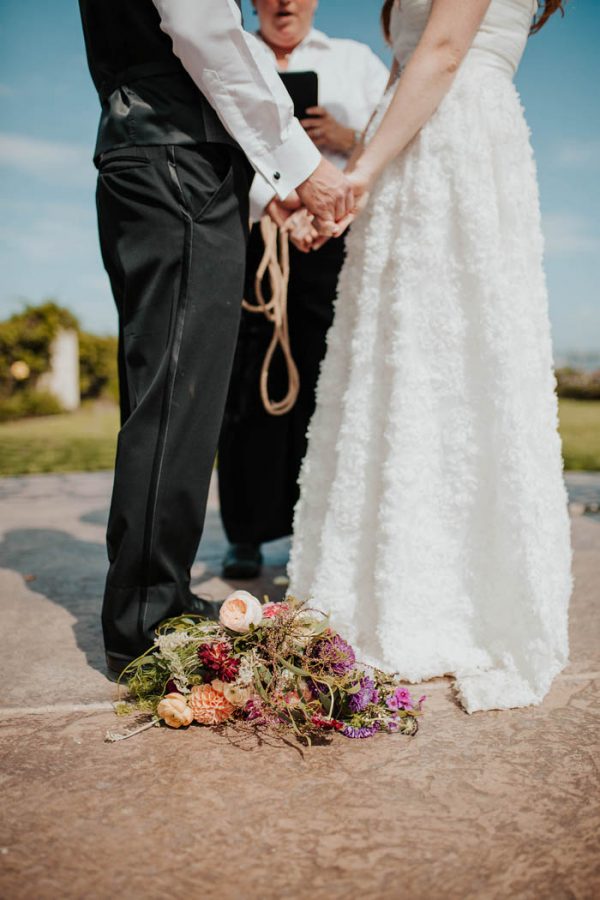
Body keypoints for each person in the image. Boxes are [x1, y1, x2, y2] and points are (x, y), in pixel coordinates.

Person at [288, 0, 573, 713]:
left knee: (458, 363)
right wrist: (345, 186)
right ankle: (388, 579)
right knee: (395, 362)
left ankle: (465, 596)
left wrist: (356, 178)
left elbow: (442, 53)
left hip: (456, 145)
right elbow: (400, 76)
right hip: (406, 144)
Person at [77, 0, 354, 679]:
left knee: (167, 389)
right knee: (180, 392)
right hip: (179, 162)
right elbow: (203, 30)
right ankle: (146, 616)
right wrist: (302, 164)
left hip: (144, 150)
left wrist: (270, 191)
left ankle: (155, 595)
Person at [218, 0, 388, 579]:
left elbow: (393, 138)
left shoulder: (356, 60)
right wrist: (277, 202)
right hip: (254, 237)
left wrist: (342, 136)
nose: (284, 3)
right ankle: (243, 530)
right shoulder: (231, 54)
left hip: (335, 239)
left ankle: (318, 529)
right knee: (247, 386)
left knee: (327, 382)